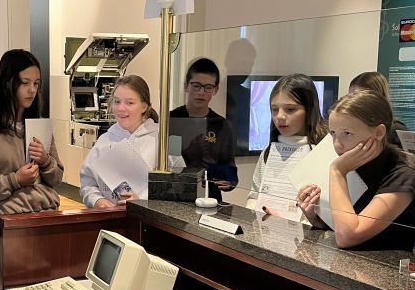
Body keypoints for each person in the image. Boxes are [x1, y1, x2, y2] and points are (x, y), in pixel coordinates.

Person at [0, 49, 63, 289]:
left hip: (47, 223)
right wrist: (14, 180)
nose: (32, 90)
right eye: (25, 83)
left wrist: (46, 161)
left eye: (36, 83)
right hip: (8, 227)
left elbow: (57, 179)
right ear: (8, 83)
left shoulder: (38, 125)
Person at [296, 90, 415, 252]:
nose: (337, 145)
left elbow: (347, 236)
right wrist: (316, 217)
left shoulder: (403, 177)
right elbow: (340, 226)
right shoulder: (350, 165)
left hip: (382, 266)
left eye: (347, 134)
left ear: (379, 132)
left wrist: (337, 172)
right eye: (333, 134)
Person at [247, 74, 328, 211]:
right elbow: (254, 197)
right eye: (274, 109)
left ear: (309, 109)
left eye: (290, 109)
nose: (279, 116)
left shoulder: (326, 150)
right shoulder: (268, 153)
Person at [81, 75, 159, 208]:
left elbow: (174, 186)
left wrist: (143, 200)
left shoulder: (160, 141)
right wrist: (97, 200)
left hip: (148, 217)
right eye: (117, 101)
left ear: (144, 106)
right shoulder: (105, 141)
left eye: (130, 103)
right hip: (111, 216)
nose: (121, 108)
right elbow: (88, 182)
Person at [169, 58, 236, 201]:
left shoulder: (222, 125)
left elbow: (230, 171)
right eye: (196, 86)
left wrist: (228, 180)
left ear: (215, 90)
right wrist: (190, 152)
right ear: (186, 86)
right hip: (174, 196)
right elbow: (165, 164)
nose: (201, 92)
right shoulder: (170, 120)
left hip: (210, 199)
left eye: (208, 87)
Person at [348, 71, 406, 147]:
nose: (353, 102)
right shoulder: (350, 125)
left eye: (360, 97)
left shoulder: (396, 129)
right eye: (350, 97)